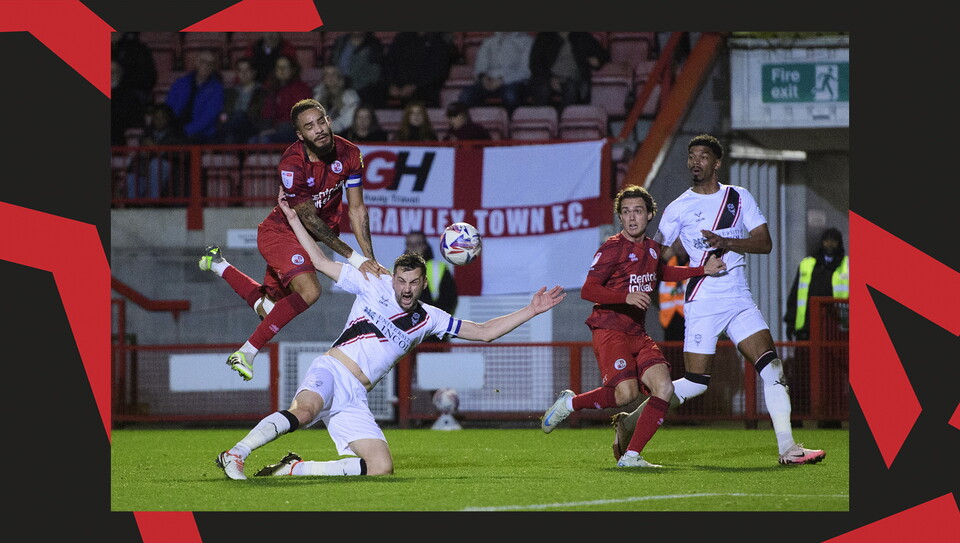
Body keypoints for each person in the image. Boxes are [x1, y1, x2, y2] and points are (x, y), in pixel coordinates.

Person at [214, 190, 565, 479]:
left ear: (423, 284)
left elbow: (484, 331)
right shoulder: (372, 281)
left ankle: (294, 469)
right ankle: (236, 453)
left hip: (355, 396)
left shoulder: (430, 318)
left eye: (414, 283)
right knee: (305, 412)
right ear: (392, 278)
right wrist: (293, 220)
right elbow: (320, 262)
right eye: (401, 280)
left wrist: (531, 310)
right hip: (332, 370)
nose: (406, 289)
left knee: (381, 467)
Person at [610, 134, 826, 466]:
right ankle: (628, 423)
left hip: (739, 300)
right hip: (703, 302)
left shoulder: (739, 198)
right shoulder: (679, 208)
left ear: (717, 162)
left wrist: (725, 240)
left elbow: (764, 242)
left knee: (772, 368)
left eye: (702, 157)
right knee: (696, 383)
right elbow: (656, 258)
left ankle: (788, 448)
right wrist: (643, 281)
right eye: (691, 156)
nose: (695, 162)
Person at [199, 99, 390, 381]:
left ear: (329, 120)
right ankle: (247, 353)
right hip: (281, 234)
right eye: (310, 127)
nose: (319, 129)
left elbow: (358, 209)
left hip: (308, 239)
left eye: (322, 121)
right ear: (300, 135)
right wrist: (355, 258)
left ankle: (218, 264)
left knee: (269, 311)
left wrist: (369, 259)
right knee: (311, 292)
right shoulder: (292, 164)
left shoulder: (350, 154)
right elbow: (309, 218)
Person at [540, 185, 725, 468]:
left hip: (637, 332)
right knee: (625, 394)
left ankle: (631, 456)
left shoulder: (652, 249)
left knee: (664, 387)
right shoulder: (612, 248)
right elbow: (589, 289)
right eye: (626, 212)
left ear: (650, 215)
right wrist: (624, 296)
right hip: (609, 329)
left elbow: (662, 272)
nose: (632, 217)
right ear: (620, 217)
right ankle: (569, 405)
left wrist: (702, 270)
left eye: (638, 211)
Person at [783, 227, 849, 340]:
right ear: (822, 242)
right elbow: (795, 296)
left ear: (839, 243)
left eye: (833, 241)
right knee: (806, 357)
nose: (830, 244)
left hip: (836, 330)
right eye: (827, 241)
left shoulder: (847, 266)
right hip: (807, 328)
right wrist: (790, 322)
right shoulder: (807, 265)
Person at [528, 32, 609, 111]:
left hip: (573, 78)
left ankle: (565, 121)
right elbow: (535, 63)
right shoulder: (544, 36)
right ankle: (541, 121)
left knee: (571, 89)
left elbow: (603, 54)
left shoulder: (582, 36)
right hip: (547, 77)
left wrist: (597, 60)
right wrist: (550, 79)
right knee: (542, 89)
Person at [457, 32, 533, 114]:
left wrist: (502, 80)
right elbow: (480, 67)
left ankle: (510, 124)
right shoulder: (489, 41)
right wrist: (483, 78)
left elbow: (526, 71)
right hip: (489, 82)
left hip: (513, 82)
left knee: (510, 96)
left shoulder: (527, 41)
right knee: (467, 95)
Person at [124, 103, 187, 200]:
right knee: (132, 175)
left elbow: (181, 154)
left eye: (162, 117)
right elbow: (141, 155)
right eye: (156, 117)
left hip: (169, 170)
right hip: (145, 167)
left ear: (168, 119)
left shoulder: (177, 134)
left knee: (156, 164)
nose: (159, 121)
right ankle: (132, 204)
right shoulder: (147, 133)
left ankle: (153, 201)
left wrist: (157, 149)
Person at [164, 49, 225, 144]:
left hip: (200, 134)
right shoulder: (180, 83)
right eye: (203, 61)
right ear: (196, 62)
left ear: (213, 67)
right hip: (176, 129)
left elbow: (208, 118)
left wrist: (184, 131)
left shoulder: (217, 89)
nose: (206, 66)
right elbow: (168, 108)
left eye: (210, 63)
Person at [382, 31, 455, 108]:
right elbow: (389, 64)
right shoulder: (401, 38)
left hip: (424, 93)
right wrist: (391, 85)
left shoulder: (438, 41)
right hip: (397, 91)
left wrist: (415, 86)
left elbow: (439, 72)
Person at [253, 54, 313, 144]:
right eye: (279, 67)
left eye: (285, 67)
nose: (281, 71)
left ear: (292, 70)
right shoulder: (271, 88)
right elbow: (266, 114)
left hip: (293, 130)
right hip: (273, 128)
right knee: (253, 139)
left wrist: (275, 129)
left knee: (282, 129)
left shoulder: (301, 88)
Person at [404, 230, 458, 315]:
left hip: (433, 322)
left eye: (418, 244)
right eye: (410, 244)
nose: (413, 248)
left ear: (425, 246)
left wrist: (435, 320)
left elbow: (449, 299)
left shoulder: (440, 268)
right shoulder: (395, 270)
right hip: (405, 324)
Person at [326, 31, 385, 107]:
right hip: (338, 87)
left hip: (363, 91)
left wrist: (350, 87)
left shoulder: (374, 45)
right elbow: (332, 65)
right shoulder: (340, 42)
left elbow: (374, 74)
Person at [217, 56, 265, 144]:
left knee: (239, 116)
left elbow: (260, 115)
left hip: (251, 126)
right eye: (240, 70)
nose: (243, 73)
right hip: (232, 126)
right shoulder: (230, 92)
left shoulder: (262, 92)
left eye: (247, 70)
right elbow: (224, 113)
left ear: (253, 72)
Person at [312, 65, 361, 134]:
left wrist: (330, 129)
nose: (330, 77)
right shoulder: (318, 96)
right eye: (327, 74)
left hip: (344, 135)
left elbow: (348, 120)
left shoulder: (351, 96)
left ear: (340, 78)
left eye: (333, 74)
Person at [111, 59, 148, 146]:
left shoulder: (131, 95)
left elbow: (135, 119)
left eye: (114, 72)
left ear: (121, 74)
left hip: (121, 138)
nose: (111, 75)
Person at [659, 249, 689, 341]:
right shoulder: (666, 265)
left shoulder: (695, 265)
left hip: (688, 318)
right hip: (669, 319)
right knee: (672, 352)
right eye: (676, 242)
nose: (679, 245)